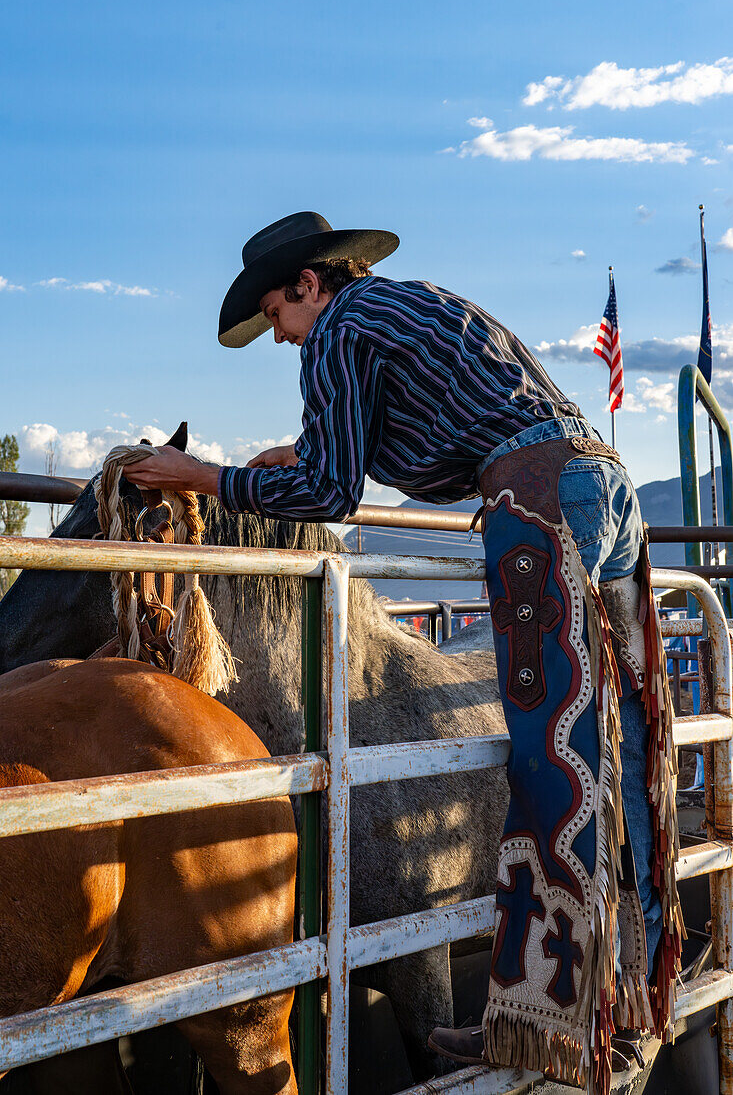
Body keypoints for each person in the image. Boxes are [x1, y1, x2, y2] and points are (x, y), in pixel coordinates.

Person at [123, 211, 681, 1092]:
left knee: (553, 763)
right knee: (627, 744)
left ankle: (567, 1027)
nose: (278, 332)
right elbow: (349, 451)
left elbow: (330, 491)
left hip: (536, 504)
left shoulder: (337, 332)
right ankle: (631, 1002)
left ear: (311, 284)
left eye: (276, 311)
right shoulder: (410, 306)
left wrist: (198, 477)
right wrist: (295, 457)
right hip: (598, 480)